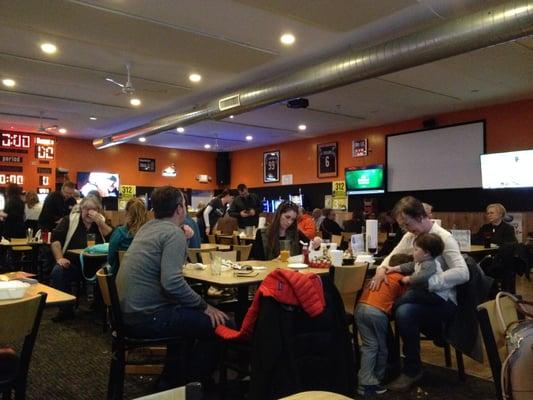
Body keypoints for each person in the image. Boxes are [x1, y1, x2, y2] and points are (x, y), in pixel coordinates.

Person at [116, 186, 229, 388]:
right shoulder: (172, 234)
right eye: (184, 205)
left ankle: (172, 382)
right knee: (221, 324)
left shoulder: (147, 228)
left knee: (186, 325)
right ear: (179, 209)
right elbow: (172, 283)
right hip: (147, 317)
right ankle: (196, 384)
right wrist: (205, 306)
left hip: (125, 315)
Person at [369, 196, 469, 391]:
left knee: (404, 311)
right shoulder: (412, 235)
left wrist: (431, 282)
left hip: (444, 300)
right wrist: (382, 269)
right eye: (403, 225)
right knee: (385, 308)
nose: (406, 229)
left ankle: (412, 369)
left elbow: (462, 272)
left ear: (422, 216)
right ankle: (392, 361)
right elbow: (391, 257)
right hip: (423, 296)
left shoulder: (443, 237)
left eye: (408, 224)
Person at [50, 195, 114, 322]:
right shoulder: (69, 220)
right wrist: (60, 258)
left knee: (109, 271)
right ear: (81, 209)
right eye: (86, 209)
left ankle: (100, 309)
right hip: (73, 264)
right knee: (58, 271)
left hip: (96, 266)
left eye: (92, 209)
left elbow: (112, 240)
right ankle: (66, 309)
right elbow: (55, 240)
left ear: (98, 210)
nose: (88, 212)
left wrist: (101, 223)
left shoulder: (101, 223)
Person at [356, 253, 411, 397]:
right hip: (377, 312)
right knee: (381, 348)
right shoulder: (401, 279)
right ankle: (375, 382)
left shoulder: (379, 275)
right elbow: (404, 298)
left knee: (369, 346)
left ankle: (363, 382)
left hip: (360, 308)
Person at [385, 233, 447, 308]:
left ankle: (392, 307)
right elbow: (409, 266)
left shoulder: (430, 264)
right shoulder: (420, 262)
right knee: (410, 292)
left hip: (436, 295)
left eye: (416, 249)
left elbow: (422, 277)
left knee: (410, 294)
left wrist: (409, 279)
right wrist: (394, 268)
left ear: (426, 254)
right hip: (427, 291)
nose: (413, 252)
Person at [252, 201, 321, 260]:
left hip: (292, 273)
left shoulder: (296, 233)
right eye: (287, 217)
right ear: (279, 215)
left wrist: (316, 243)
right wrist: (272, 263)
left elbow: (312, 247)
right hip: (269, 273)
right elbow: (255, 261)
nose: (289, 222)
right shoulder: (262, 234)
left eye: (293, 219)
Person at [107, 198, 148, 274]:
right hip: (145, 278)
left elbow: (110, 259)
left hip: (120, 277)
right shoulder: (150, 234)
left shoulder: (119, 232)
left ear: (126, 212)